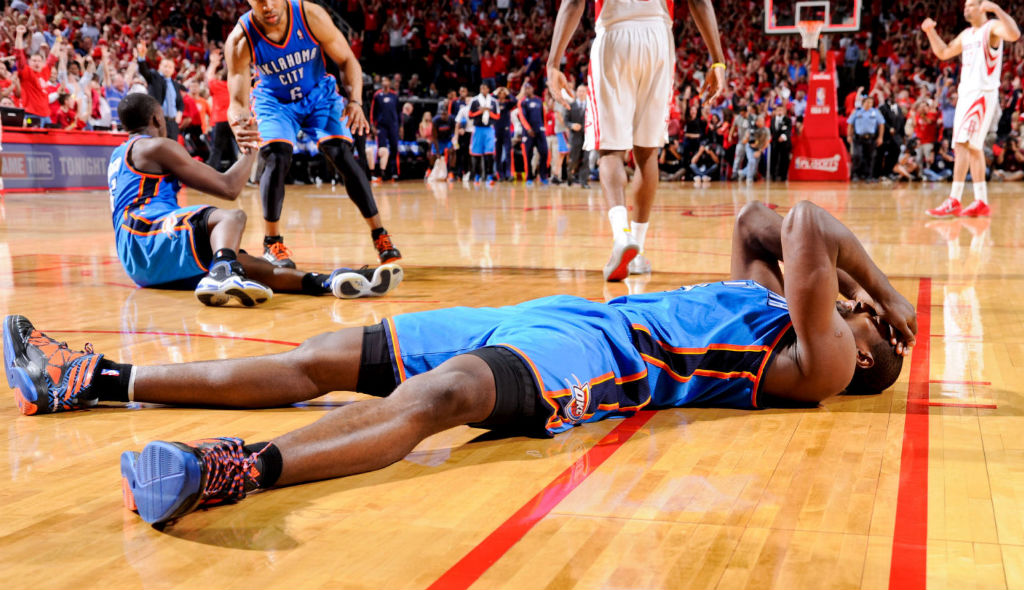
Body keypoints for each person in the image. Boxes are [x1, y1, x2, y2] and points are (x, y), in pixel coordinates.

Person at [3, 200, 915, 526]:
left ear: (864, 350)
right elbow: (759, 220)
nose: (860, 308)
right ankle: (93, 380)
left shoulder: (821, 360)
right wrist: (865, 289)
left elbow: (802, 224)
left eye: (867, 320)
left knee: (443, 396)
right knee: (324, 356)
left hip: (603, 357)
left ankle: (231, 469)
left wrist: (883, 295)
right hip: (564, 313)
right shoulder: (770, 299)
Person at [104, 93, 402, 307]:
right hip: (144, 234)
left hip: (139, 257)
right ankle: (222, 273)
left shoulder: (120, 154)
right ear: (157, 117)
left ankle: (328, 281)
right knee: (230, 218)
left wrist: (249, 150)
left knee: (256, 267)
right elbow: (229, 187)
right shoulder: (156, 146)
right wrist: (253, 147)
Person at [547, 0, 725, 281]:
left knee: (611, 152)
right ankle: (638, 251)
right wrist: (717, 60)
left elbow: (573, 3)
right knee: (647, 152)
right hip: (658, 37)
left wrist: (553, 63)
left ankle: (621, 236)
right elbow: (700, 2)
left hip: (615, 32)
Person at [225, 0, 402, 268]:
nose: (268, 6)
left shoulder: (310, 15)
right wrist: (238, 123)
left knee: (340, 153)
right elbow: (236, 100)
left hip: (319, 93)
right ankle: (272, 243)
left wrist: (355, 101)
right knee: (275, 155)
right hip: (275, 101)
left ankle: (380, 234)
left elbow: (346, 60)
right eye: (260, 1)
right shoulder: (241, 38)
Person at [922, 0, 1020, 218]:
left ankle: (954, 199)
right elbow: (944, 52)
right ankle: (981, 201)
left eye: (972, 4)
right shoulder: (966, 34)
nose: (966, 8)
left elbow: (1014, 34)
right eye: (965, 5)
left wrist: (996, 9)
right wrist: (930, 31)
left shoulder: (991, 27)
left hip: (981, 93)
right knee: (974, 148)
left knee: (962, 144)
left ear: (982, 7)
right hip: (966, 93)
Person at [135, 41, 184, 142]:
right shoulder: (154, 77)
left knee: (171, 150)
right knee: (159, 147)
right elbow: (144, 71)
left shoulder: (175, 85)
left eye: (170, 67)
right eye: (165, 66)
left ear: (173, 70)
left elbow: (180, 103)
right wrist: (141, 56)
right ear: (159, 67)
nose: (167, 69)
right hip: (158, 121)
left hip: (172, 123)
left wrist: (180, 113)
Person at [846, 95, 885, 181]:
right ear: (863, 102)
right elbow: (850, 124)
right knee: (857, 156)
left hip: (870, 138)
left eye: (871, 102)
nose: (869, 104)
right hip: (858, 138)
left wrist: (880, 137)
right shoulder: (857, 112)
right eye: (868, 102)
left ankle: (868, 175)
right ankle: (855, 174)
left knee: (870, 157)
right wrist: (849, 135)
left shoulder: (875, 112)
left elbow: (881, 124)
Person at [516, 82, 548, 186]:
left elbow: (544, 116)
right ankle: (529, 177)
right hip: (528, 133)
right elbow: (522, 116)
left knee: (544, 152)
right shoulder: (522, 102)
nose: (527, 90)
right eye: (525, 89)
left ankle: (543, 176)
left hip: (540, 131)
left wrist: (544, 128)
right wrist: (529, 129)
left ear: (532, 89)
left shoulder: (539, 100)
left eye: (529, 88)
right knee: (528, 155)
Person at [371, 77, 401, 182]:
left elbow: (399, 112)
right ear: (381, 83)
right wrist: (373, 125)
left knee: (394, 148)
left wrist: (400, 126)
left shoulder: (394, 95)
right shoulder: (377, 95)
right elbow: (373, 111)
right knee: (382, 149)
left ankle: (394, 173)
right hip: (381, 126)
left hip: (393, 125)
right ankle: (381, 172)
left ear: (390, 83)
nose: (385, 83)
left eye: (387, 81)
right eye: (383, 81)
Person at [468, 83, 498, 185]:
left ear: (488, 89)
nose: (483, 90)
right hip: (478, 129)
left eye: (485, 88)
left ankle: (489, 175)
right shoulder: (475, 100)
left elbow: (497, 116)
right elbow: (470, 115)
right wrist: (480, 112)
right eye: (481, 88)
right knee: (476, 153)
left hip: (489, 129)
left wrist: (488, 112)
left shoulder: (493, 101)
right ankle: (477, 175)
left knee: (489, 153)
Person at [566, 84, 590, 187]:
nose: (581, 93)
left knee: (586, 159)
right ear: (576, 93)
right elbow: (566, 121)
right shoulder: (571, 105)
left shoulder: (590, 106)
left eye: (583, 91)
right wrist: (572, 125)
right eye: (579, 91)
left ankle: (583, 182)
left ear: (586, 93)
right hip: (575, 136)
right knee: (574, 159)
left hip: (587, 137)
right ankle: (570, 175)